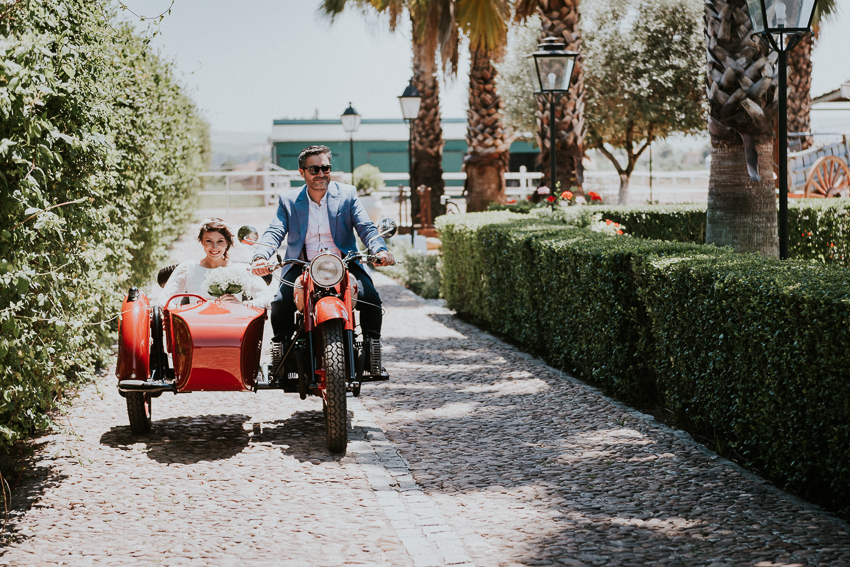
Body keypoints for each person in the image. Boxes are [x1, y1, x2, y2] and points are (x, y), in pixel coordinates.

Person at [250, 145, 394, 350]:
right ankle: (280, 348)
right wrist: (261, 257)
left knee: (371, 299)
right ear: (302, 172)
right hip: (302, 265)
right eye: (314, 169)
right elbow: (275, 231)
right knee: (281, 303)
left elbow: (366, 227)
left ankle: (373, 347)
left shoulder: (347, 194)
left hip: (343, 264)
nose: (321, 174)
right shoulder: (288, 200)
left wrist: (379, 250)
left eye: (325, 168)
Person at [159, 217, 273, 308]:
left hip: (233, 327)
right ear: (202, 242)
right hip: (197, 325)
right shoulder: (188, 268)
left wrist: (241, 305)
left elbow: (268, 299)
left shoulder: (241, 269)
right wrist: (186, 309)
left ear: (227, 243)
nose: (214, 247)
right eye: (209, 241)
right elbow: (164, 299)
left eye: (220, 241)